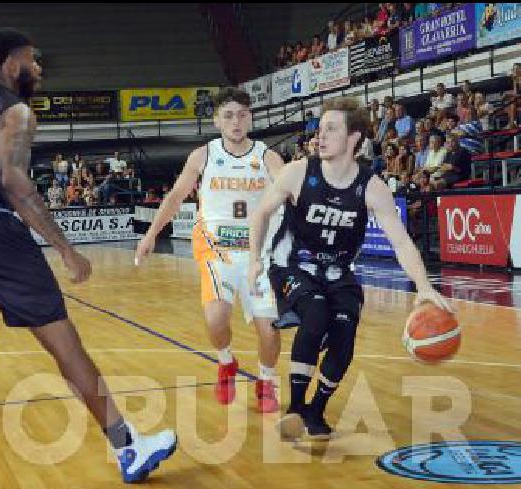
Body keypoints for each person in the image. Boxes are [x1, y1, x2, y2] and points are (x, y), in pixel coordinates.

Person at [0, 28, 177, 489]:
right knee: (65, 345)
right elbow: (14, 183)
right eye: (34, 61)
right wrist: (66, 249)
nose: (39, 69)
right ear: (12, 63)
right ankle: (128, 449)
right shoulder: (15, 109)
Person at [246, 97, 453, 441]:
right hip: (293, 265)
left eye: (330, 129)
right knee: (315, 313)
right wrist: (255, 258)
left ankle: (316, 411)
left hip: (338, 271)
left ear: (354, 138)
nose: (319, 135)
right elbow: (261, 214)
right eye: (319, 128)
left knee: (345, 333)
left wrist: (425, 287)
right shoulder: (299, 171)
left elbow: (401, 242)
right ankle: (295, 410)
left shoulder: (371, 187)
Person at [135, 87, 283, 411]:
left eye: (243, 115)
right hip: (217, 248)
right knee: (216, 319)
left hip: (259, 254)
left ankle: (267, 380)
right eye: (228, 115)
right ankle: (226, 362)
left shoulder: (268, 157)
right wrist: (150, 235)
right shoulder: (203, 155)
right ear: (217, 120)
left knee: (269, 331)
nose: (236, 121)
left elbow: (293, 194)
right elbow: (175, 197)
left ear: (251, 118)